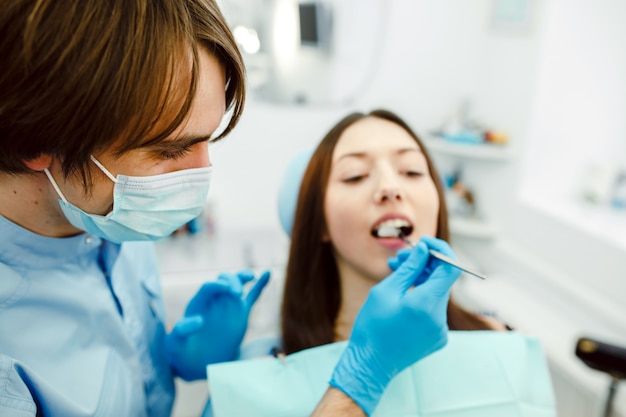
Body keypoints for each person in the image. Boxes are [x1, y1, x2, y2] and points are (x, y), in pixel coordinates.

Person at [1, 2, 460, 417]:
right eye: (168, 149)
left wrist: (172, 359)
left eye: (208, 139)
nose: (202, 172)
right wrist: (363, 378)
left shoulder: (101, 218)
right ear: (37, 140)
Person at [279, 109, 507, 357]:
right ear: (320, 221)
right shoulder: (278, 367)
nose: (390, 187)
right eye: (355, 176)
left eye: (412, 171)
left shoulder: (497, 339)